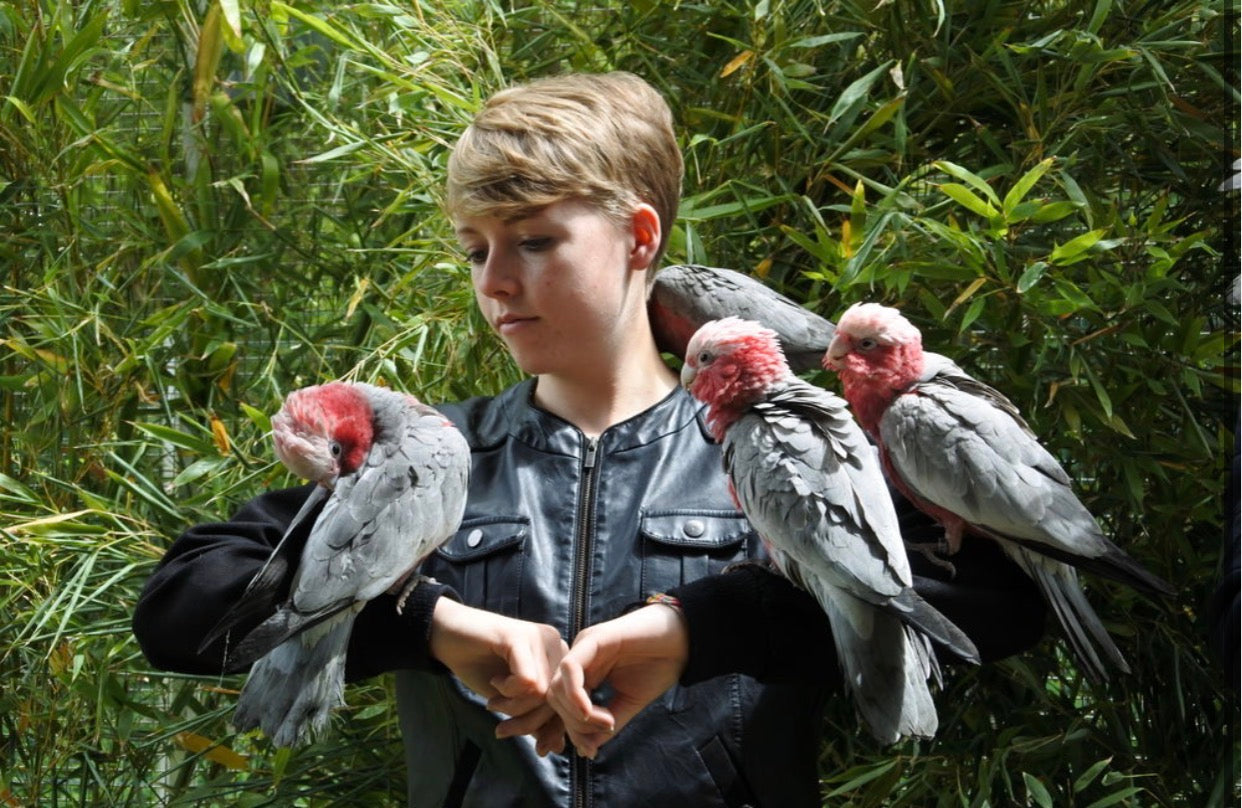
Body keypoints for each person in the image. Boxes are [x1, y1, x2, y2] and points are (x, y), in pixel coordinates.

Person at [132, 71, 1046, 806]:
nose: (495, 282)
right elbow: (179, 608)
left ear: (639, 236)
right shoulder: (437, 455)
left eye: (533, 242)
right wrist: (432, 623)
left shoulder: (786, 447)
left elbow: (1002, 602)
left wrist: (702, 628)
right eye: (474, 250)